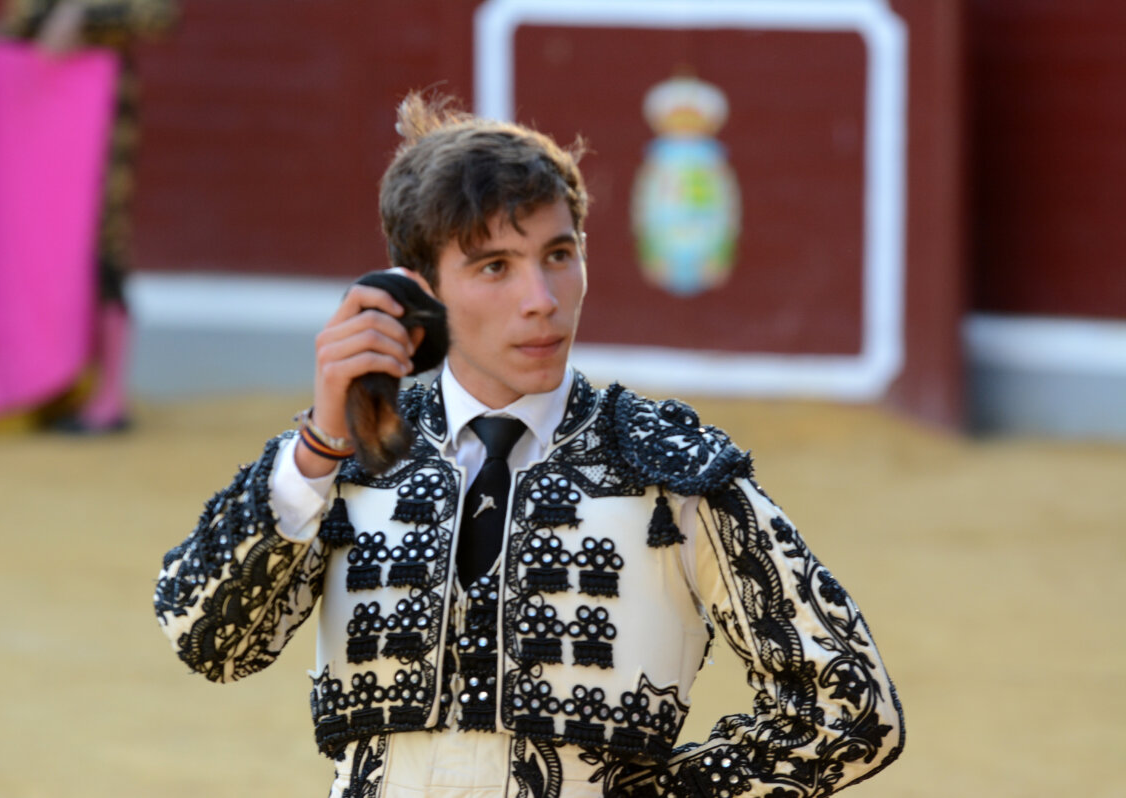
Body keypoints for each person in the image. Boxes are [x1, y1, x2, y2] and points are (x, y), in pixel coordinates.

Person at [153, 92, 904, 798]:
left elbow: (852, 710)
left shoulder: (667, 469)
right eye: (494, 267)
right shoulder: (349, 457)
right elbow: (209, 643)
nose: (541, 300)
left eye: (557, 254)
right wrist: (316, 447)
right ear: (418, 291)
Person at [1, 0, 177, 431]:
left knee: (101, 247)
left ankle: (108, 397)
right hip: (41, 120)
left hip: (101, 125)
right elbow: (19, 24)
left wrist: (81, 11)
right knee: (43, 250)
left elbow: (161, 15)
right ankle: (56, 384)